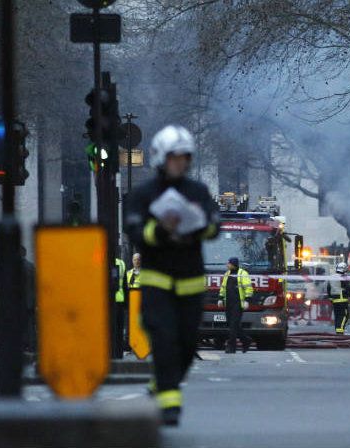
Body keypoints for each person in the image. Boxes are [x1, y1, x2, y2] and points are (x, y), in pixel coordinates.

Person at [124, 125, 220, 426]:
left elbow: (215, 226)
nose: (180, 163)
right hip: (157, 283)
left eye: (184, 158)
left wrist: (198, 225)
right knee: (164, 339)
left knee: (187, 346)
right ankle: (170, 404)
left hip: (191, 283)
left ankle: (161, 384)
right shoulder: (144, 194)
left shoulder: (198, 192)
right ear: (161, 158)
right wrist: (160, 230)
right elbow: (134, 230)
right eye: (174, 158)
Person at [218, 257, 253, 354]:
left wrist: (247, 300)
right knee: (232, 324)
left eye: (228, 263)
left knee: (233, 325)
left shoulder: (243, 274)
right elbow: (223, 288)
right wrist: (220, 298)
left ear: (233, 264)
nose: (227, 265)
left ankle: (231, 347)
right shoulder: (227, 274)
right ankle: (246, 340)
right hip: (228, 303)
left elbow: (248, 289)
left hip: (238, 304)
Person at [327, 261, 350, 335]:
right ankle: (340, 331)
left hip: (334, 300)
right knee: (344, 315)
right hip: (342, 299)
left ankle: (338, 331)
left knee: (337, 316)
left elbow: (328, 288)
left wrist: (330, 298)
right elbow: (347, 287)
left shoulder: (331, 277)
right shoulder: (344, 277)